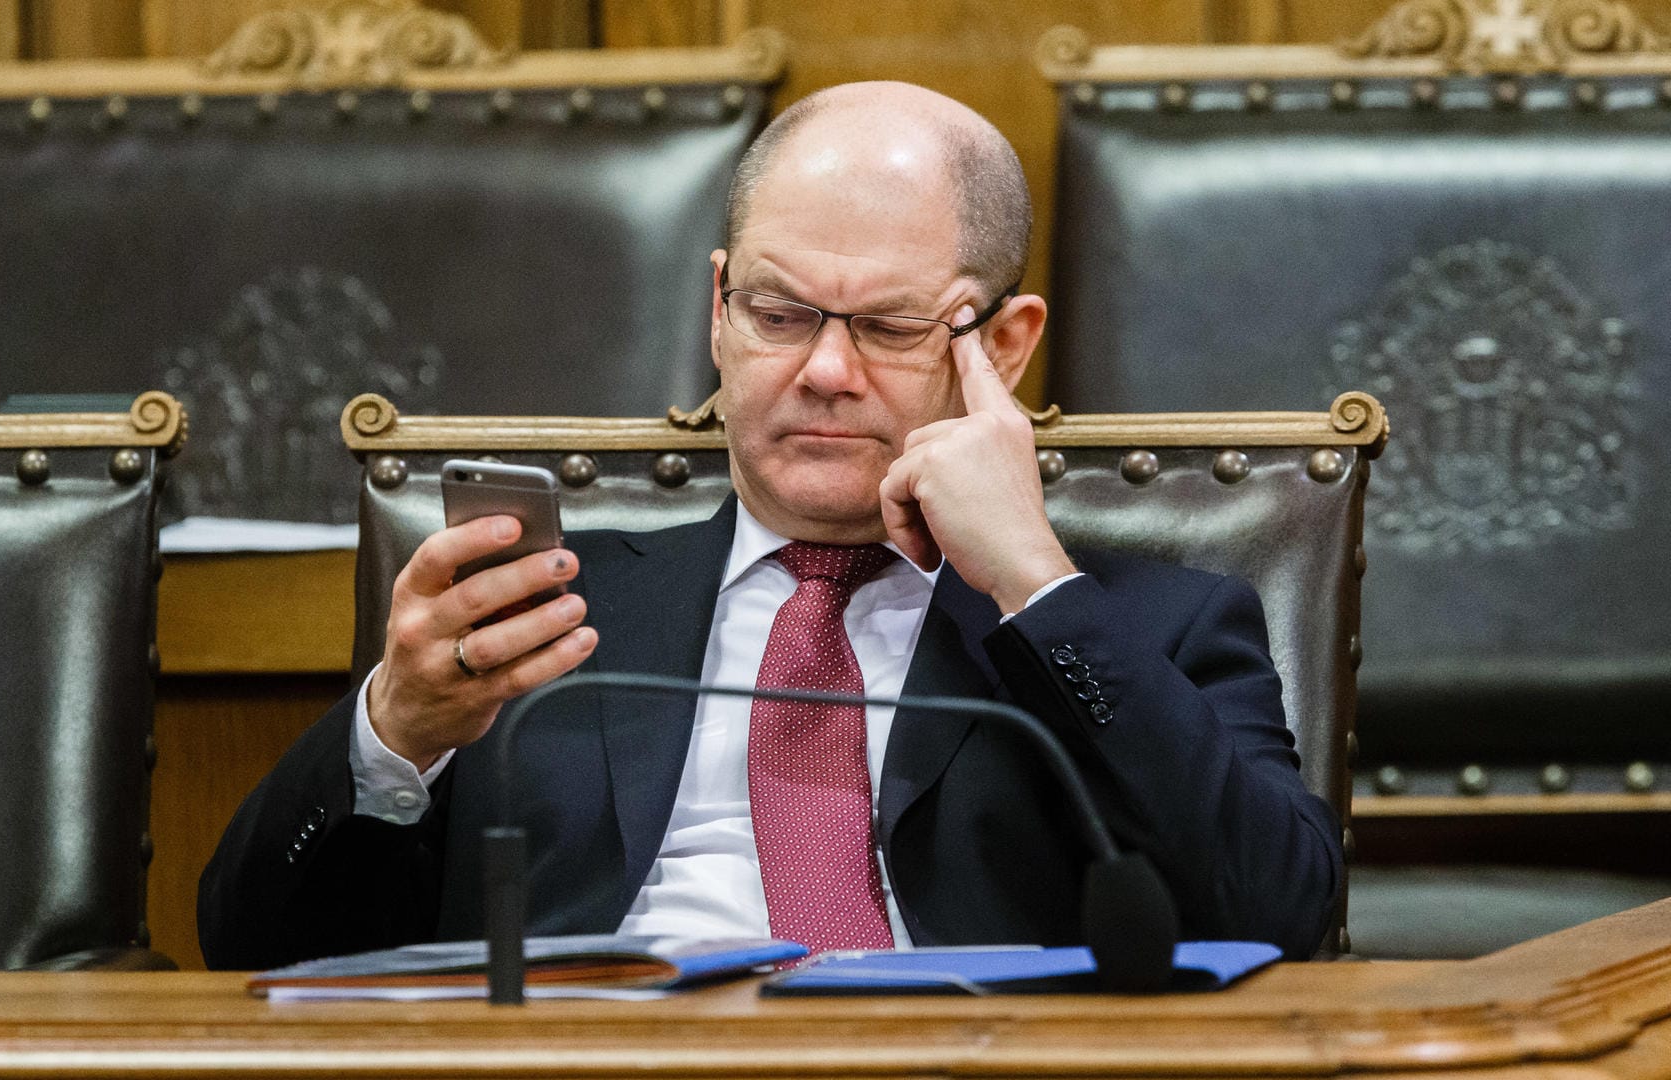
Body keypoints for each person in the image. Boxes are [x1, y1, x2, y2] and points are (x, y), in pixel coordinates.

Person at [199, 82, 1341, 969]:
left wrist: (1033, 581)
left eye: (891, 326)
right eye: (779, 312)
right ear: (717, 309)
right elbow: (256, 949)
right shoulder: (532, 619)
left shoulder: (1154, 626)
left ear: (1000, 345)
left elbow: (1284, 919)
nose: (825, 370)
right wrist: (396, 734)